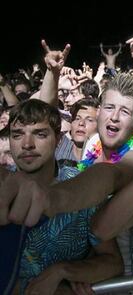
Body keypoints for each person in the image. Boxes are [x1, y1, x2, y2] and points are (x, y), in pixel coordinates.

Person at [3, 99, 122, 294]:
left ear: (59, 139)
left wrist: (63, 271)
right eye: (17, 135)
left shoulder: (82, 186)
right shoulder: (2, 188)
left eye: (40, 134)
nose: (27, 144)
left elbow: (112, 262)